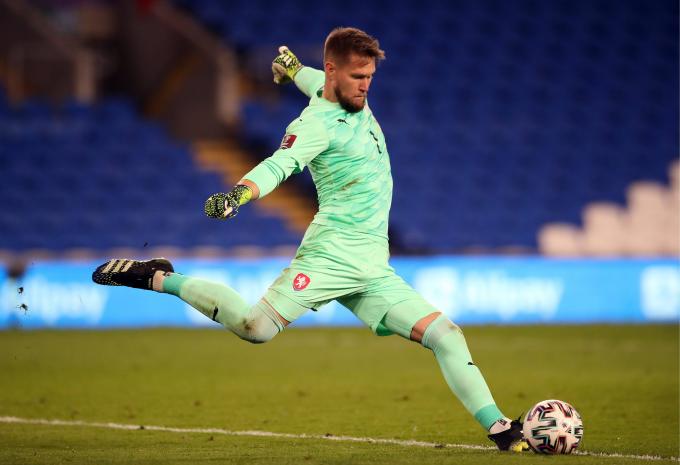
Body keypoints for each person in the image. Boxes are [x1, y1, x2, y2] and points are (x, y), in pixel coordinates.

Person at [92, 27, 527, 452]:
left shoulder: (338, 89)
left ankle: (500, 429)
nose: (365, 86)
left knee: (446, 335)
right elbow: (279, 164)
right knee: (255, 328)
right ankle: (160, 277)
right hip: (330, 256)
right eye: (357, 77)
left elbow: (313, 80)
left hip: (373, 267)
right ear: (334, 70)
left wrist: (293, 69)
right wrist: (238, 194)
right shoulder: (315, 124)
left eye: (370, 77)